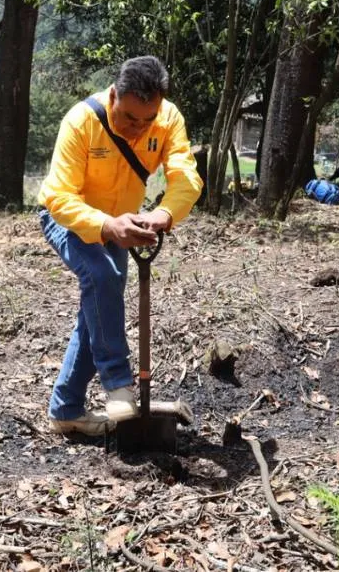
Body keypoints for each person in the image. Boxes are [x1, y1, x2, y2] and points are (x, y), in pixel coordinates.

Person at [37, 56, 202, 436]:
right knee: (101, 275)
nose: (138, 130)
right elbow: (60, 197)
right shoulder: (81, 122)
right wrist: (107, 225)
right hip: (69, 217)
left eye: (147, 121)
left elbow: (186, 177)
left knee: (98, 307)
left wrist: (165, 214)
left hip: (123, 223)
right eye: (129, 119)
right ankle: (118, 383)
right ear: (113, 96)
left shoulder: (168, 118)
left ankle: (66, 410)